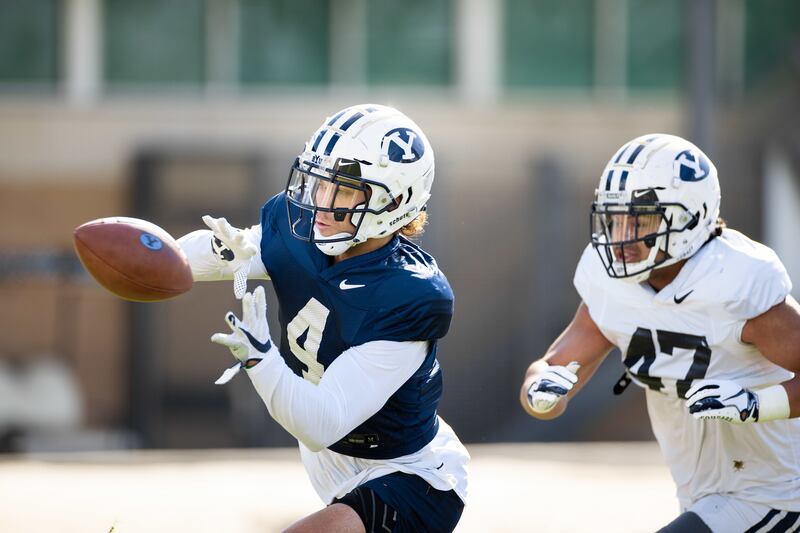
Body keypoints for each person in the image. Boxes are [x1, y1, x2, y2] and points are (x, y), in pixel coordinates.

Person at [178, 104, 469, 533]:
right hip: (333, 461)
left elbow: (321, 422)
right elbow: (230, 252)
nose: (322, 206)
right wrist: (162, 256)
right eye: (319, 185)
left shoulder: (409, 294)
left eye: (346, 191)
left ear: (396, 202)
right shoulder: (301, 229)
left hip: (410, 474)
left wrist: (262, 360)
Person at [519, 134, 800, 532]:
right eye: (616, 218)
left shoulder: (734, 284)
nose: (621, 236)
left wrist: (756, 404)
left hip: (777, 493)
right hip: (705, 497)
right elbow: (553, 369)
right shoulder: (613, 286)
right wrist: (540, 393)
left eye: (642, 219)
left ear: (690, 217)